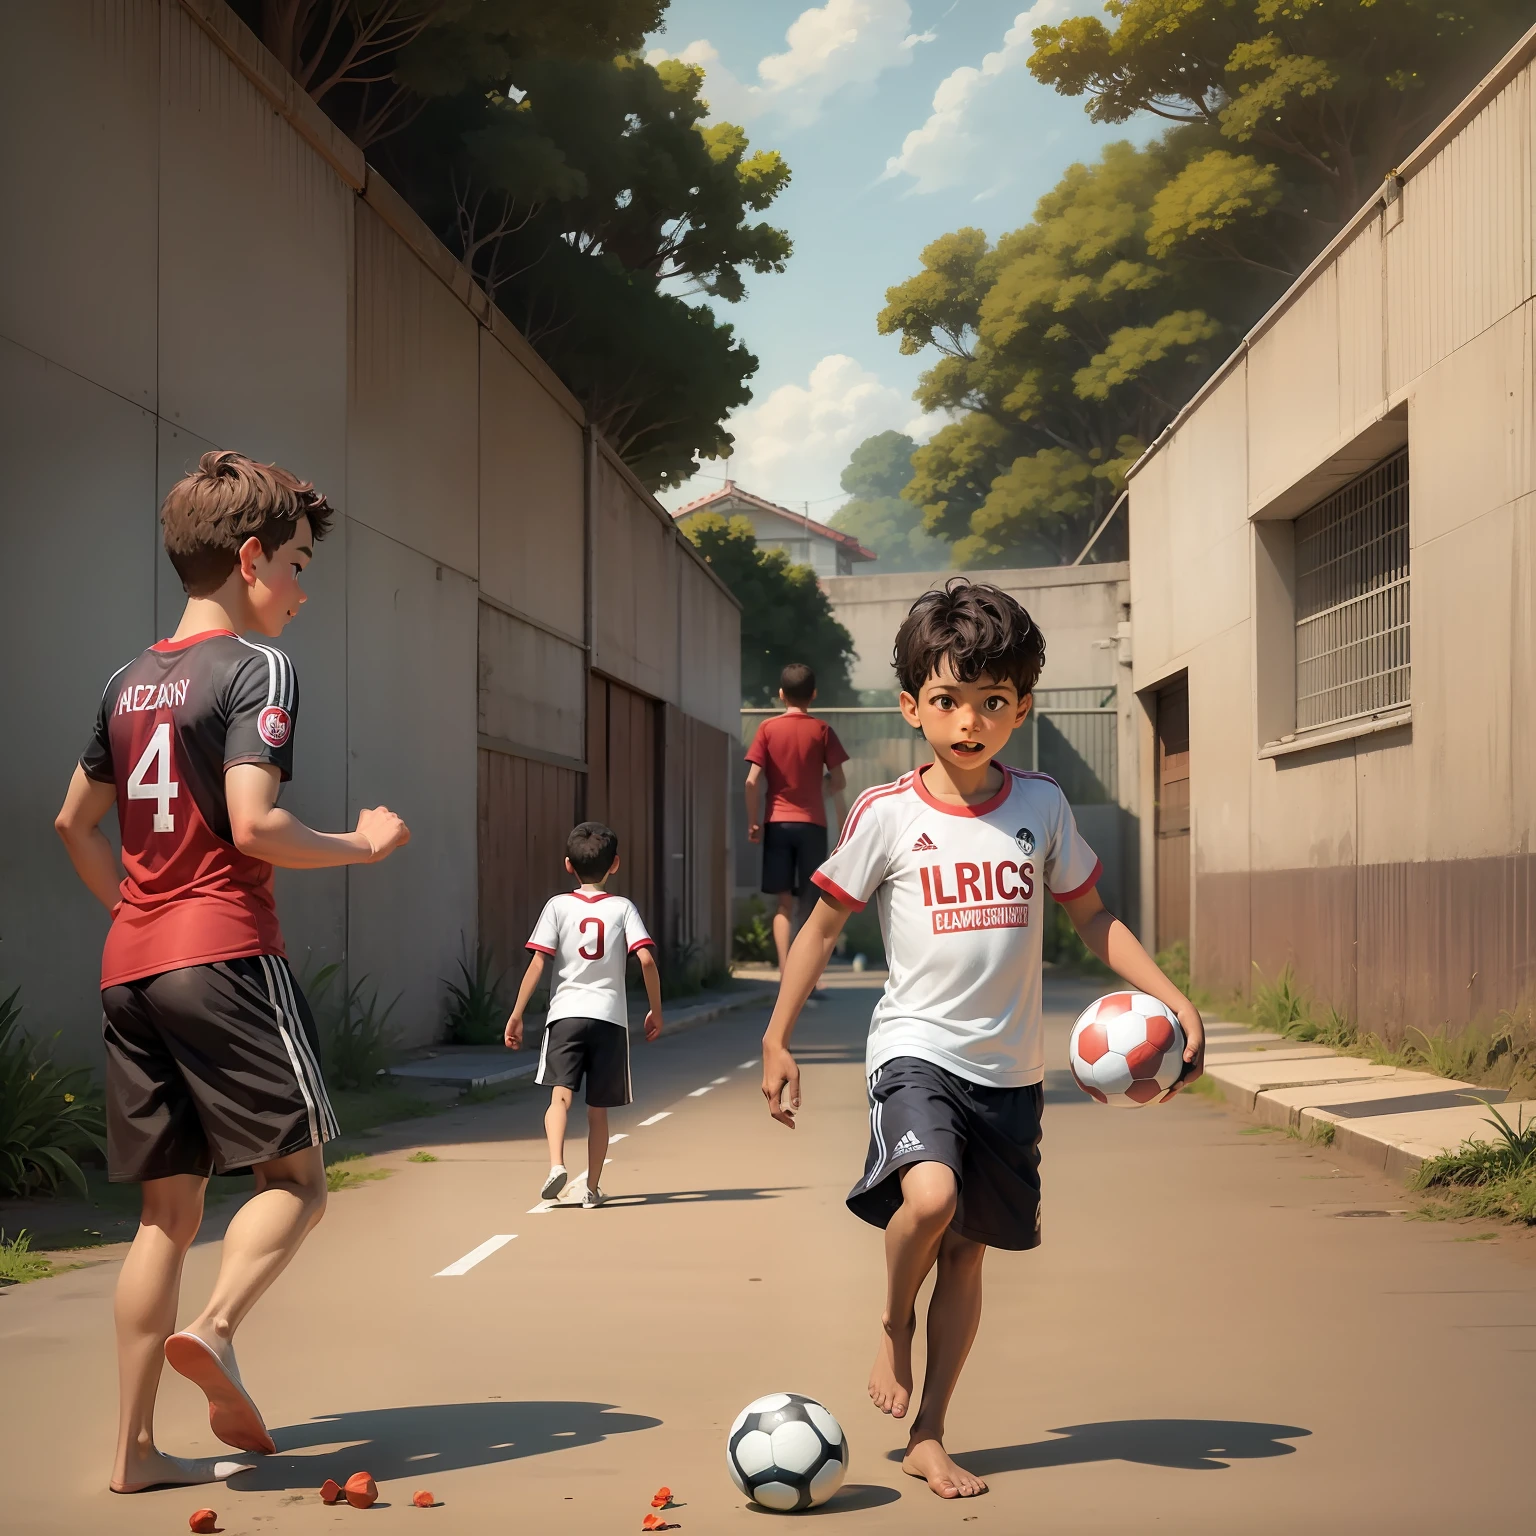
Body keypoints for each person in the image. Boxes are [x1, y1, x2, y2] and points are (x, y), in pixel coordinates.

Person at [758, 579, 1205, 1501]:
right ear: (911, 705)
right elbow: (819, 929)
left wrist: (1173, 998)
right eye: (949, 701)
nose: (970, 721)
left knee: (967, 1252)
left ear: (1023, 707)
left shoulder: (1040, 806)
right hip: (914, 1051)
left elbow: (1094, 917)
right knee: (928, 1201)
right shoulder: (886, 813)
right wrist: (777, 1038)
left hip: (1012, 1074)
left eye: (993, 702)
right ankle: (892, 1323)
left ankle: (930, 1434)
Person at [53, 451, 411, 1494]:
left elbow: (73, 822)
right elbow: (255, 825)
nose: (304, 587)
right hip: (225, 953)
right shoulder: (259, 669)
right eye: (298, 563)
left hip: (133, 967)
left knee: (165, 1216)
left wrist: (135, 909)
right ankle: (214, 1327)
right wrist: (362, 843)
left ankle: (133, 1456)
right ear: (250, 558)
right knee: (297, 1182)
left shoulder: (126, 680)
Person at [504, 822, 663, 1208]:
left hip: (566, 1016)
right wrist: (656, 1010)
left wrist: (516, 1013)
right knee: (598, 1112)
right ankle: (591, 1188)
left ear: (568, 865)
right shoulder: (622, 908)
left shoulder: (557, 906)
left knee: (560, 1098)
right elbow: (645, 958)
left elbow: (539, 963)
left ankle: (556, 1164)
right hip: (609, 1018)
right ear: (616, 864)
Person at [744, 662, 850, 977]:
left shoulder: (766, 729)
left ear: (780, 694)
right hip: (812, 825)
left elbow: (751, 781)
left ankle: (784, 971)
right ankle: (806, 979)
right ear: (813, 695)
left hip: (777, 823)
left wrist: (754, 822)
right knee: (809, 906)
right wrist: (822, 791)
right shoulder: (822, 730)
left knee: (783, 905)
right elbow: (840, 780)